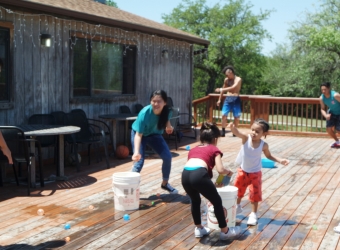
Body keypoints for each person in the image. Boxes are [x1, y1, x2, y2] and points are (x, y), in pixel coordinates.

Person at [181, 122, 241, 240]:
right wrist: (228, 172)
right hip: (198, 174)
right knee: (217, 201)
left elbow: (196, 166)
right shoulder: (214, 149)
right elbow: (220, 169)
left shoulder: (193, 149)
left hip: (185, 175)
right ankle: (225, 231)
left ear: (201, 138)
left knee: (195, 200)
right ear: (215, 139)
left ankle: (199, 229)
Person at [230, 118, 289, 225]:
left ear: (264, 133)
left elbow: (269, 156)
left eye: (257, 131)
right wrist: (233, 129)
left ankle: (253, 214)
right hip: (243, 171)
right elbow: (238, 133)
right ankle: (237, 207)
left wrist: (280, 160)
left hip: (255, 173)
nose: (254, 133)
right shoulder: (245, 139)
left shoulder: (264, 145)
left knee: (254, 193)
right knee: (238, 191)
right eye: (252, 130)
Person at [131, 90, 178, 194]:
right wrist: (136, 152)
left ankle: (165, 184)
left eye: (159, 101)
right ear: (150, 101)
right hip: (140, 134)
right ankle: (131, 189)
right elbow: (138, 135)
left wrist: (168, 126)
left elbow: (166, 119)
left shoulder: (168, 111)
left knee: (167, 157)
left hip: (155, 134)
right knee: (139, 162)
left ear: (165, 102)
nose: (156, 104)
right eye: (153, 101)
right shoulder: (145, 113)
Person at [215, 65, 242, 137]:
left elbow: (233, 87)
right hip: (228, 99)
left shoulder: (238, 79)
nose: (227, 76)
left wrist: (221, 89)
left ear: (231, 72)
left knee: (236, 117)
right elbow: (223, 90)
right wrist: (219, 99)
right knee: (224, 115)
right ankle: (223, 131)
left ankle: (234, 131)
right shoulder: (226, 80)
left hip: (236, 99)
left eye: (227, 75)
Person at [319, 82, 340, 148]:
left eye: (325, 89)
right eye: (322, 90)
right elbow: (322, 109)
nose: (323, 91)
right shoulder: (321, 98)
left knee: (338, 130)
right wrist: (325, 115)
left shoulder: (335, 95)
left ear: (329, 88)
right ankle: (337, 141)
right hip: (332, 112)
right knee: (328, 129)